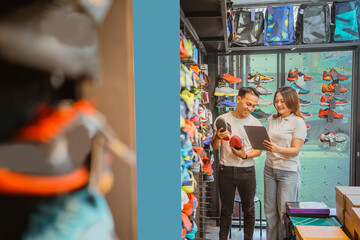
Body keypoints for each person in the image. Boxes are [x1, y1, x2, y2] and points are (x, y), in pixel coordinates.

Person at [212, 87, 262, 240]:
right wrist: (218, 137)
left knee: (249, 210)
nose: (250, 108)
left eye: (253, 106)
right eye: (248, 104)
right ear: (238, 99)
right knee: (226, 210)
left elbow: (259, 151)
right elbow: (215, 146)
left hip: (247, 171)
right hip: (225, 169)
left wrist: (245, 155)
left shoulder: (255, 122)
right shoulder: (222, 119)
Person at [263, 86, 307, 240]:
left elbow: (295, 150)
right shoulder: (272, 119)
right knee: (270, 212)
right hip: (269, 169)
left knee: (284, 213)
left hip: (288, 172)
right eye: (276, 101)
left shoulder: (298, 122)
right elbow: (268, 141)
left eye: (282, 101)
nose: (279, 104)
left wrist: (276, 148)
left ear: (291, 101)